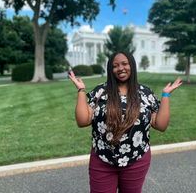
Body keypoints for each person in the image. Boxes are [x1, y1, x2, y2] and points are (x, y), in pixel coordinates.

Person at [69, 51, 182, 193]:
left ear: (132, 66)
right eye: (115, 66)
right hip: (102, 160)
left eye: (124, 64)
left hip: (136, 160)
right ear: (111, 69)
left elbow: (160, 125)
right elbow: (83, 121)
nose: (120, 68)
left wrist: (165, 95)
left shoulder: (145, 93)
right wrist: (81, 90)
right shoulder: (101, 92)